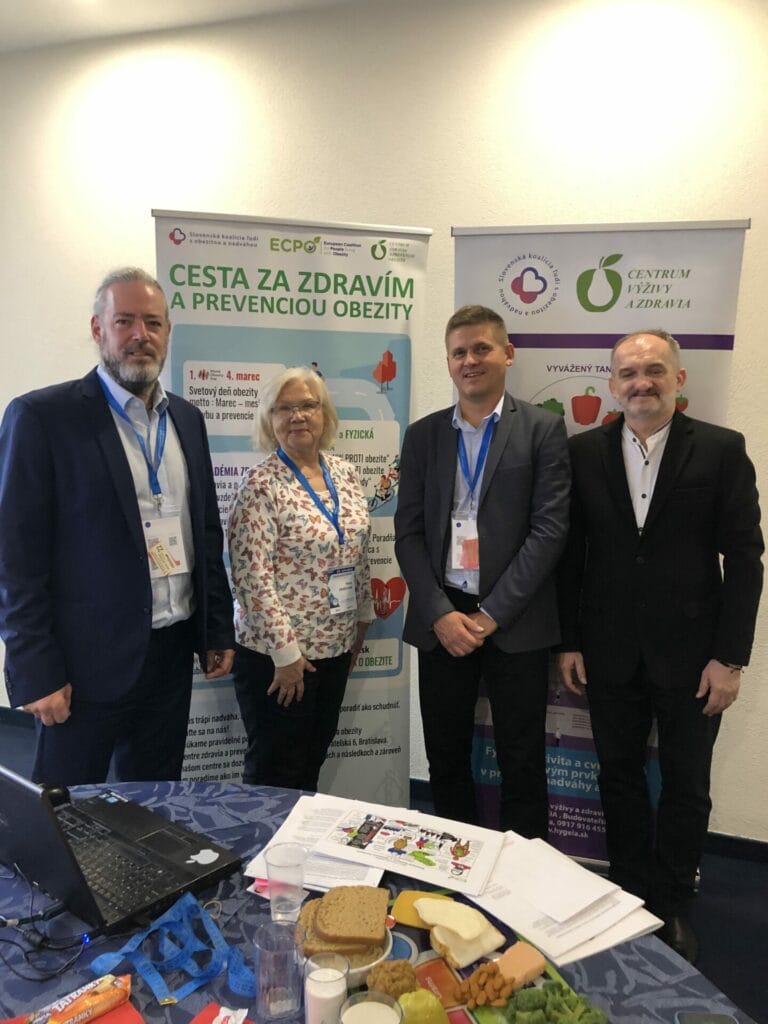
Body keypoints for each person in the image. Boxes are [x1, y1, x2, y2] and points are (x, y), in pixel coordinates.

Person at [556, 329, 763, 963]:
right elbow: (571, 555)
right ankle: (629, 890)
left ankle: (671, 902)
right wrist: (569, 641)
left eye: (653, 370)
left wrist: (730, 658)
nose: (640, 382)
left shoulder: (723, 451)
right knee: (617, 775)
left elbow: (747, 559)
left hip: (694, 658)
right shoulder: (584, 451)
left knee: (686, 783)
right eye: (627, 373)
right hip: (609, 650)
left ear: (678, 379)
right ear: (611, 384)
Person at [0, 268, 235, 786]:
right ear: (97, 329)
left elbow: (204, 532)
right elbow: (16, 556)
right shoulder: (42, 417)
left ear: (168, 332)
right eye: (124, 321)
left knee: (154, 801)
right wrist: (35, 667)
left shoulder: (188, 421)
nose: (139, 335)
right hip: (82, 666)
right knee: (67, 811)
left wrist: (215, 627)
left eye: (152, 322)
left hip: (171, 654)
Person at [394, 305, 570, 837]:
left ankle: (523, 876)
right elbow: (409, 534)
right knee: (446, 755)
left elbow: (549, 532)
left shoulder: (543, 430)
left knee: (522, 757)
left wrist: (492, 614)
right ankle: (453, 865)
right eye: (459, 352)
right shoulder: (424, 436)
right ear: (448, 363)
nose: (470, 361)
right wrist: (441, 614)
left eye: (481, 349)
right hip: (442, 617)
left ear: (507, 354)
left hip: (514, 621)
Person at [228, 366, 374, 790]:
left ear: (324, 413)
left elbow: (358, 549)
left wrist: (361, 619)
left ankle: (297, 854)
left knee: (311, 762)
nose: (298, 416)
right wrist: (286, 656)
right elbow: (250, 578)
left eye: (308, 405)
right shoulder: (259, 484)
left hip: (335, 647)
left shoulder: (344, 473)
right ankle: (264, 852)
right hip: (280, 660)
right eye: (284, 408)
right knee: (275, 770)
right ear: (268, 420)